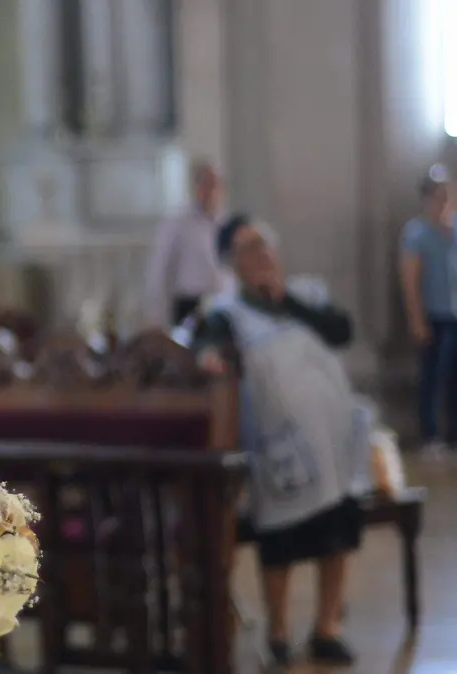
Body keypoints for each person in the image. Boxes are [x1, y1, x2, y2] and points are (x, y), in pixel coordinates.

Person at [196, 214, 366, 669]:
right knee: (281, 540)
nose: (260, 255)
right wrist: (208, 356)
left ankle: (327, 628)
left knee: (337, 535)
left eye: (264, 245)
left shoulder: (306, 294)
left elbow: (341, 331)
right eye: (248, 248)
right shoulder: (227, 312)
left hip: (334, 442)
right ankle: (278, 633)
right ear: (232, 262)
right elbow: (207, 345)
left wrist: (285, 298)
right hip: (279, 450)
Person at [398, 166, 457, 456]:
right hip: (433, 315)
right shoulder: (416, 233)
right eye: (440, 195)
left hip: (454, 314)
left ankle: (453, 435)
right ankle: (430, 436)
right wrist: (416, 319)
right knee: (432, 377)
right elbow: (410, 279)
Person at [144, 160, 228, 327]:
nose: (211, 191)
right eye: (206, 184)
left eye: (215, 185)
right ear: (196, 186)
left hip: (220, 299)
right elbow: (160, 268)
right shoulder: (177, 222)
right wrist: (155, 313)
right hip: (190, 301)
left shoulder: (224, 222)